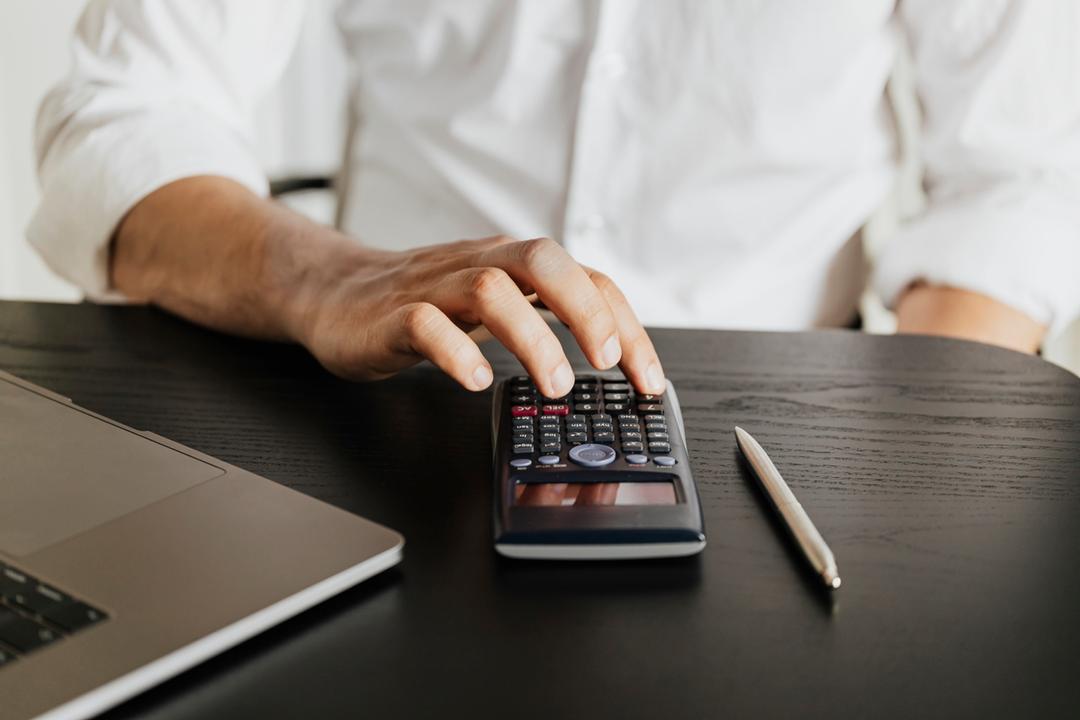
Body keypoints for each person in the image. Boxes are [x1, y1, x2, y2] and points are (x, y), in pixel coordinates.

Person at [30, 1, 1080, 398]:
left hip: (784, 417)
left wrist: (928, 465)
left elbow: (1017, 177)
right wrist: (333, 277)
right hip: (381, 398)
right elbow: (122, 113)